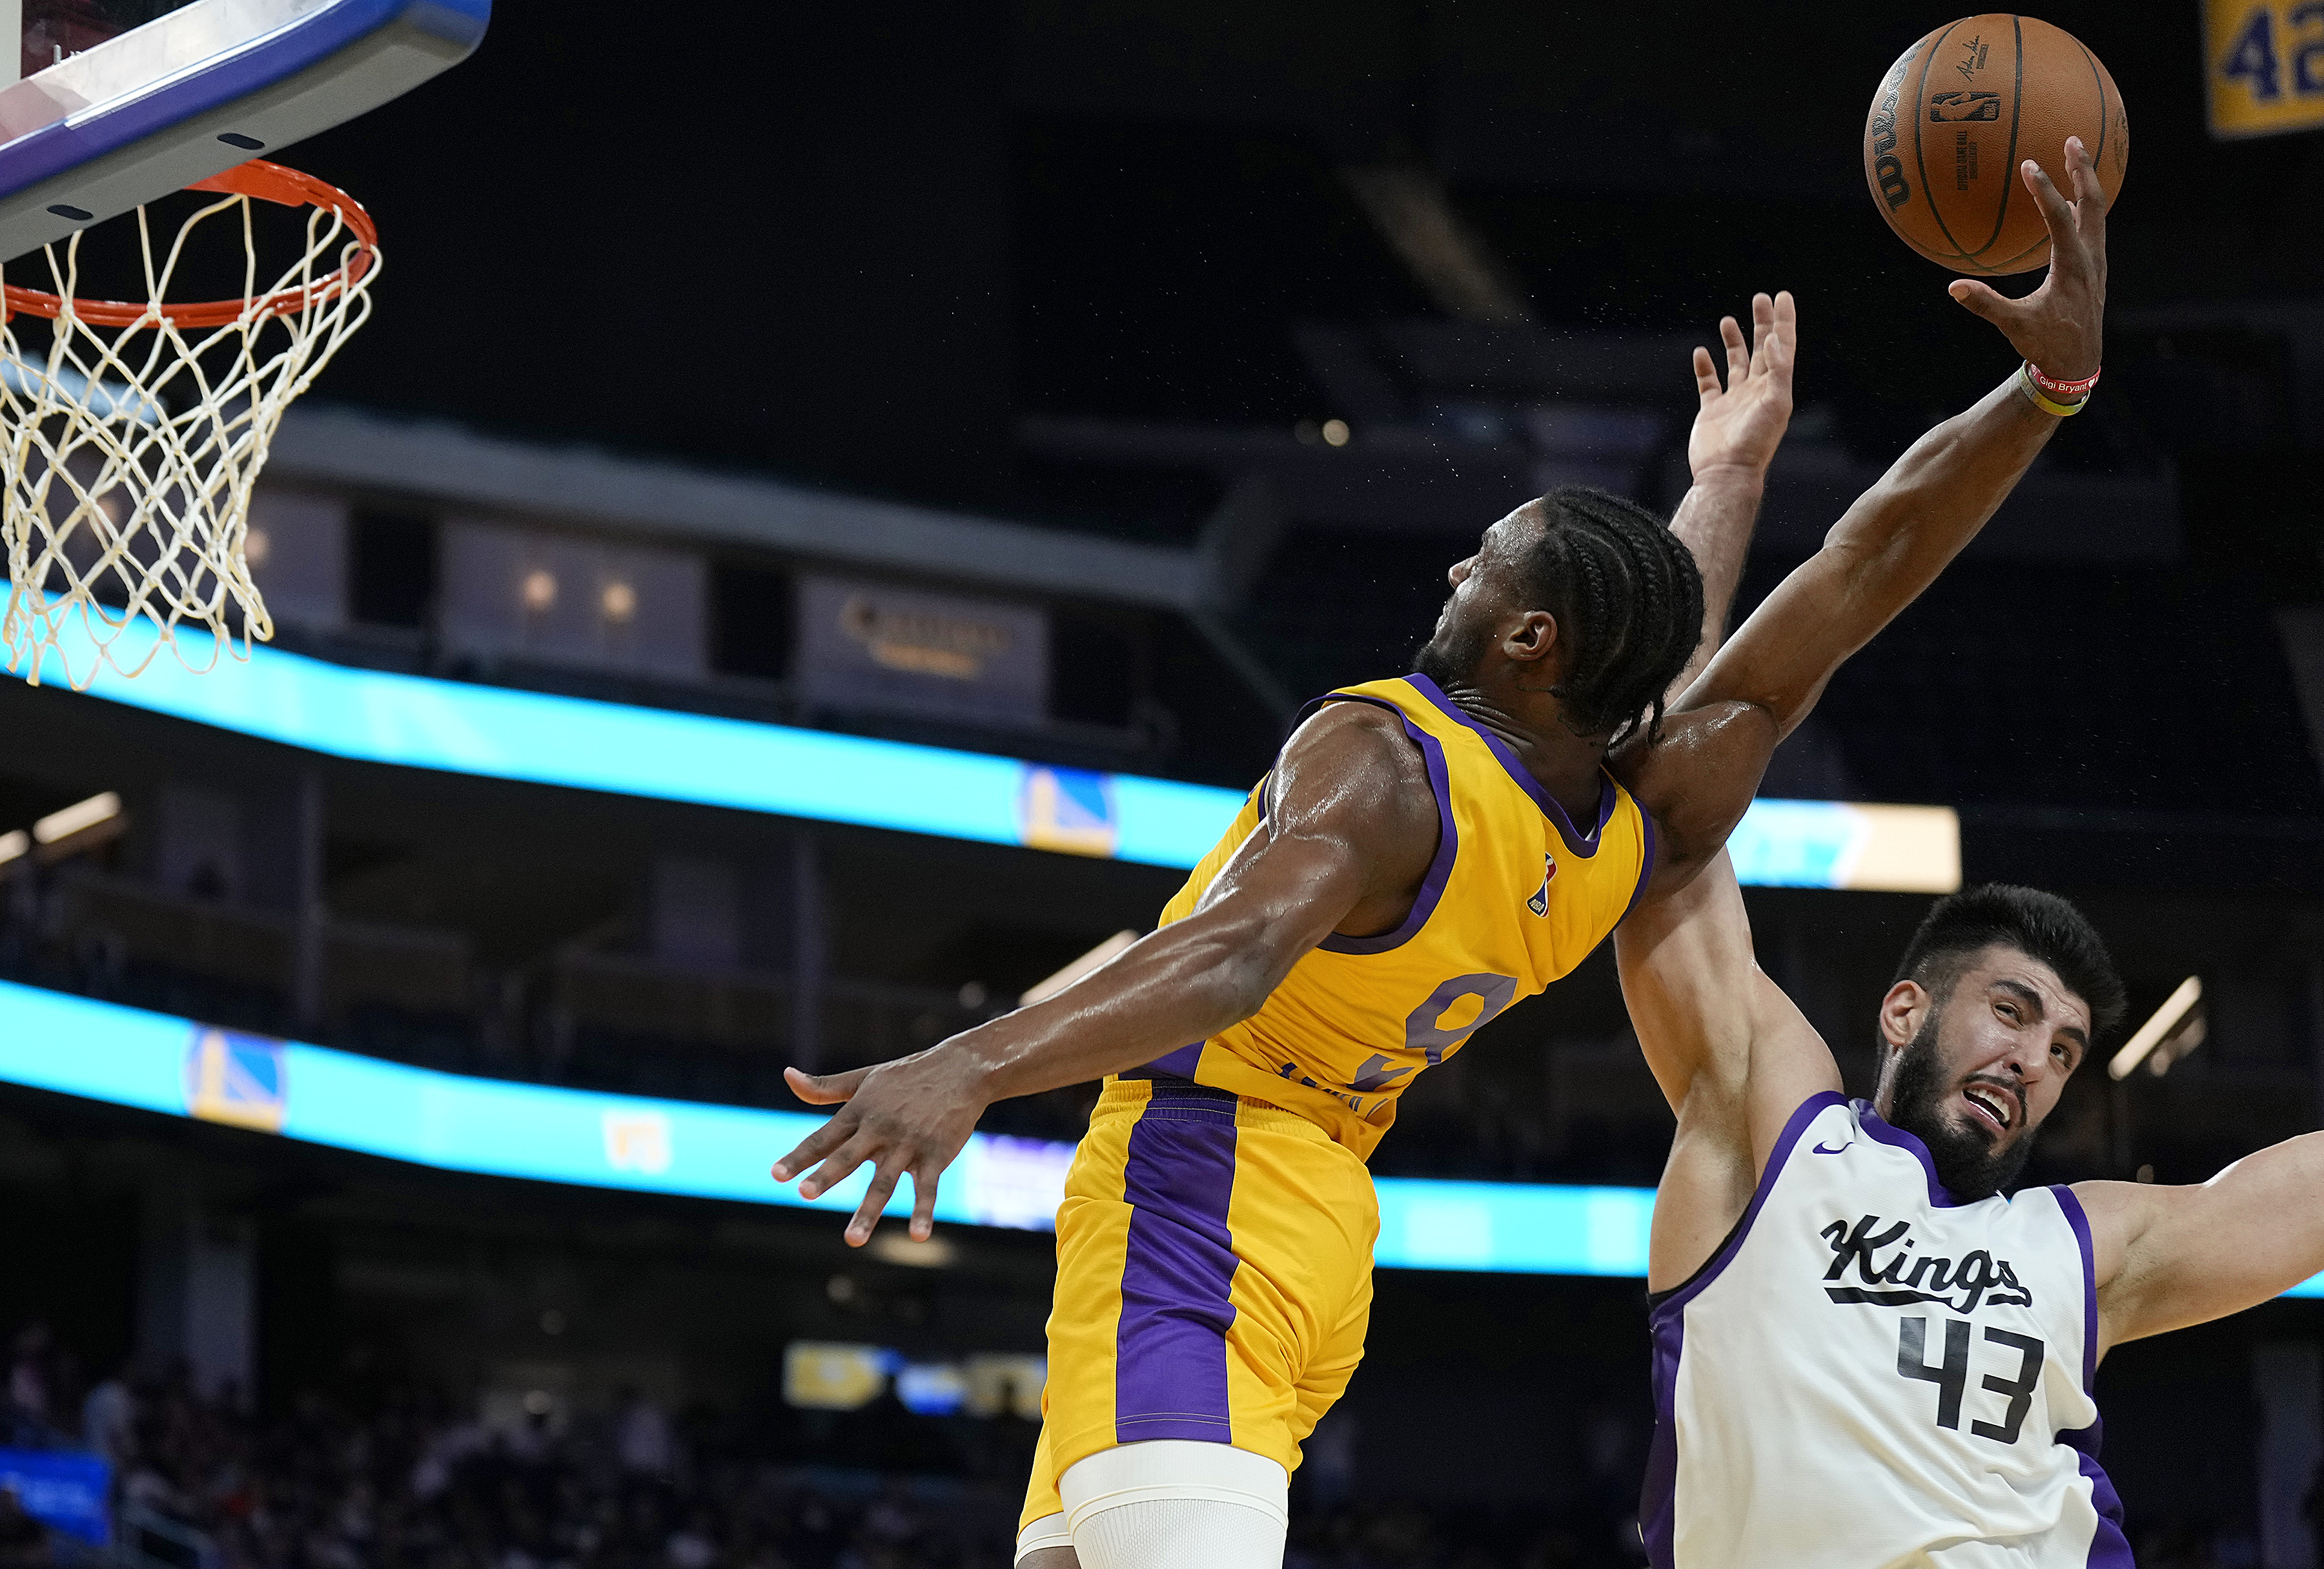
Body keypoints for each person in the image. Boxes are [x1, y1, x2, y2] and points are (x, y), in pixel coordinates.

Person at [771, 137, 2112, 1569]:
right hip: (1316, 1224)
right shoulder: (1642, 810)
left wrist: (966, 1064)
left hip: (1196, 1187)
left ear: (1532, 640)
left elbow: (1230, 956)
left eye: (1485, 564)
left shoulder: (1379, 763)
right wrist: (2039, 396)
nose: (1454, 574)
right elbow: (1852, 571)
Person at [1611, 142, 2321, 1569]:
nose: (2037, 1060)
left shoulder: (2086, 1244)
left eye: (2063, 1048)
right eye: (2013, 1010)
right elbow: (1670, 807)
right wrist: (1735, 486)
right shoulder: (1770, 1129)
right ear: (1905, 1008)